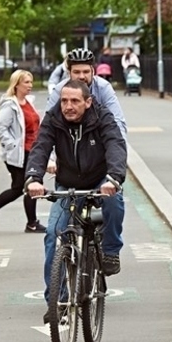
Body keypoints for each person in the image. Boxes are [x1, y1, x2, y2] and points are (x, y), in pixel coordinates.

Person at [25, 80, 127, 323]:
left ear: (88, 102)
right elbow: (40, 148)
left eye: (74, 101)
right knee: (53, 234)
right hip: (68, 183)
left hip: (101, 179)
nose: (68, 106)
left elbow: (115, 145)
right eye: (64, 101)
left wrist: (113, 179)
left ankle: (110, 251)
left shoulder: (102, 117)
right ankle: (56, 301)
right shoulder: (53, 118)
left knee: (114, 203)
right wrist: (33, 178)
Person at [0, 70, 46, 233]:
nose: (30, 86)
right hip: (19, 153)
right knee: (29, 186)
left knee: (22, 187)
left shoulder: (28, 102)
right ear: (16, 85)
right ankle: (31, 223)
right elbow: (0, 129)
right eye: (26, 82)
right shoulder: (10, 105)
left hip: (32, 150)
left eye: (31, 82)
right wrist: (13, 146)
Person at [47, 48, 127, 138]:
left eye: (86, 72)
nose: (81, 76)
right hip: (67, 143)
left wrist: (118, 149)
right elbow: (47, 126)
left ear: (93, 71)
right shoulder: (59, 90)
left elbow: (117, 121)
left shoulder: (103, 87)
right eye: (76, 72)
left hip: (97, 142)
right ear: (69, 73)